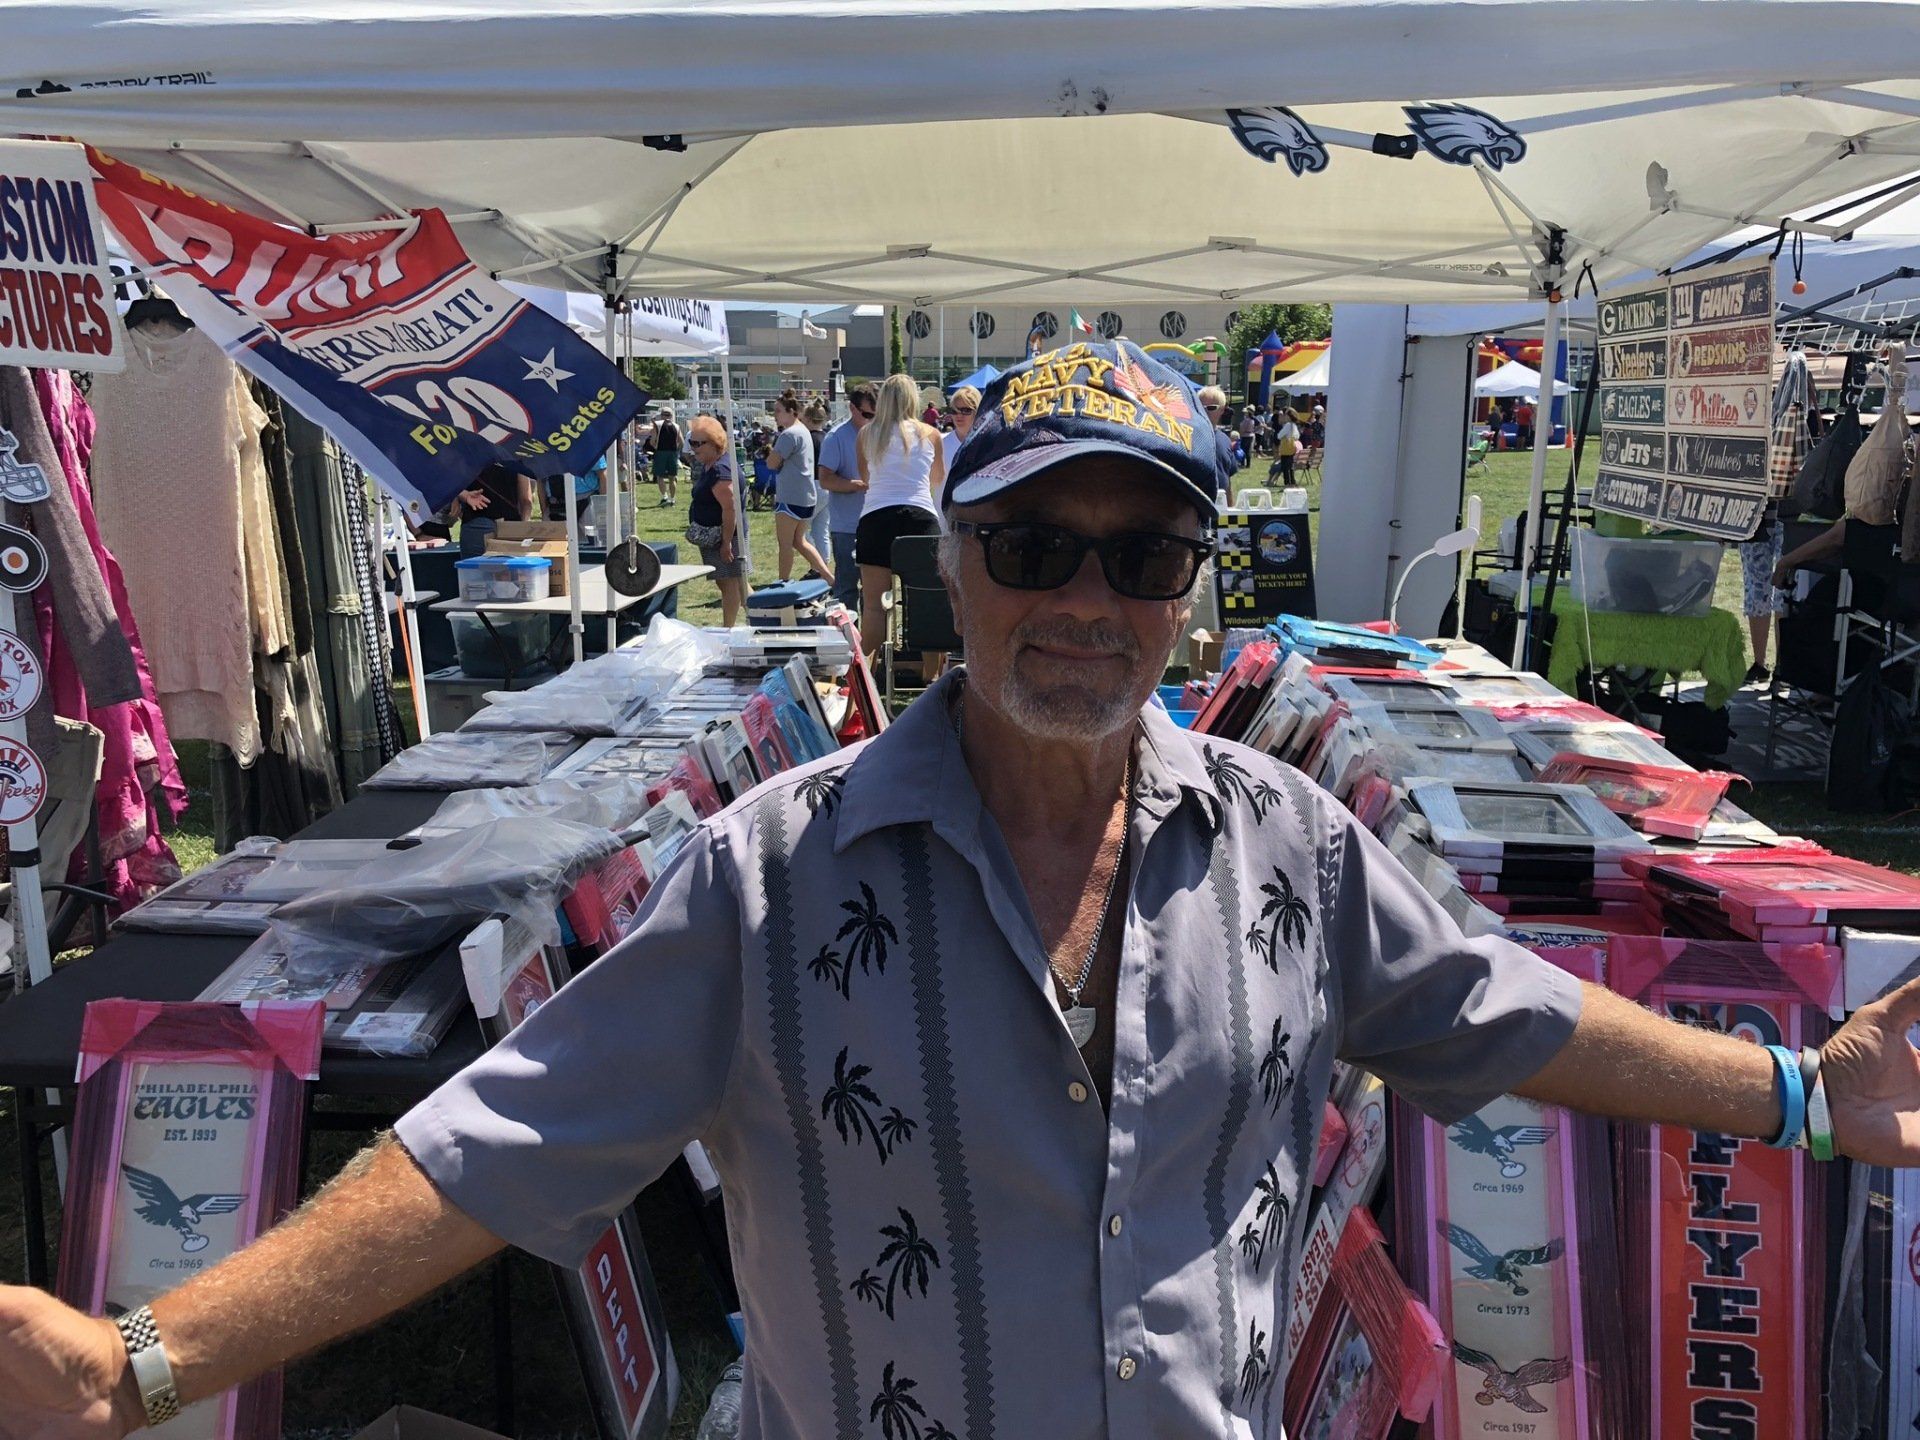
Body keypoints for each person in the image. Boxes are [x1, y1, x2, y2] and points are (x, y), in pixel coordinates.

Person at [14, 341, 1920, 1440]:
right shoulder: (769, 876)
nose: (1087, 601)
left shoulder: (1288, 845)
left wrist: (1801, 1095)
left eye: (1144, 554)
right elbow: (481, 1152)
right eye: (1033, 545)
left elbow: (1503, 1017)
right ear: (951, 567)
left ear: (1195, 591)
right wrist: (149, 1359)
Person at [856, 372, 943, 664]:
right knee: (926, 602)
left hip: (876, 518)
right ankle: (930, 678)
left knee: (873, 607)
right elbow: (937, 477)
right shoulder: (930, 434)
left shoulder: (867, 434)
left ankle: (869, 673)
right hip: (920, 518)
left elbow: (865, 477)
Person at [765, 389, 835, 585]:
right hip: (806, 496)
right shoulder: (803, 431)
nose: (775, 415)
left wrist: (772, 454)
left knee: (785, 543)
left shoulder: (788, 435)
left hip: (790, 496)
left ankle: (783, 582)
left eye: (778, 411)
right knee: (800, 541)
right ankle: (829, 577)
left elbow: (771, 463)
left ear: (791, 411)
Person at [818, 381, 876, 613]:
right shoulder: (836, 438)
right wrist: (853, 485)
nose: (872, 420)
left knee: (876, 592)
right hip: (847, 528)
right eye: (867, 414)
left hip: (875, 523)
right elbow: (825, 479)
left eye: (876, 415)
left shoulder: (880, 433)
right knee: (846, 590)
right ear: (852, 409)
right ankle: (848, 644)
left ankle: (874, 645)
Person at [682, 415, 746, 626]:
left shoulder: (721, 470)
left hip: (724, 538)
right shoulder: (712, 464)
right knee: (736, 584)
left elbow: (730, 508)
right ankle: (761, 618)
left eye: (699, 443)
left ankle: (728, 630)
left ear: (715, 443)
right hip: (717, 538)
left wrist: (727, 543)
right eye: (692, 442)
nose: (693, 448)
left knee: (730, 585)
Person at [455, 460, 531, 558]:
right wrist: (522, 526)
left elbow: (448, 480)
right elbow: (526, 501)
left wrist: (463, 495)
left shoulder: (467, 451)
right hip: (510, 525)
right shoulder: (514, 454)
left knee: (475, 571)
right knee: (511, 571)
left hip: (476, 521)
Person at [801, 399, 835, 571]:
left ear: (807, 419)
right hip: (828, 486)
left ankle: (817, 567)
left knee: (801, 531)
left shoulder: (807, 439)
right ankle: (824, 564)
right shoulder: (828, 438)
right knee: (821, 530)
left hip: (812, 486)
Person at [1197, 384, 1237, 495]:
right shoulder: (1188, 436)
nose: (1205, 411)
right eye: (1201, 407)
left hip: (1220, 504)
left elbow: (1227, 480)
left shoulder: (1225, 440)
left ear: (1222, 410)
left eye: (1211, 408)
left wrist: (1231, 510)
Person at [645, 407, 682, 507]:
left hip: (661, 452)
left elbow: (652, 441)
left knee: (660, 476)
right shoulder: (677, 426)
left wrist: (655, 446)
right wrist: (676, 451)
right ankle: (673, 499)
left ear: (661, 415)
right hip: (673, 453)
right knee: (672, 477)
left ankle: (665, 497)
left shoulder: (657, 425)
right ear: (671, 415)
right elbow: (681, 441)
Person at [942, 384, 980, 474]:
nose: (959, 415)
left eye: (966, 410)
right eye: (955, 411)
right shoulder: (940, 445)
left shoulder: (989, 445)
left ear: (978, 411)